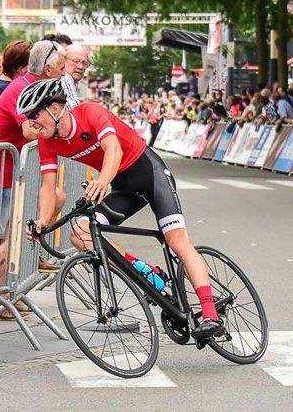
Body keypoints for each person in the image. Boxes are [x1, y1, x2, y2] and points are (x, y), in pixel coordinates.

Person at [19, 79, 226, 341]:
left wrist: (102, 182)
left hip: (150, 176)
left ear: (56, 108)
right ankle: (148, 273)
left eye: (34, 114)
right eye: (27, 117)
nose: (31, 122)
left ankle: (210, 314)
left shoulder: (90, 113)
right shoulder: (48, 142)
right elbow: (48, 188)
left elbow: (113, 149)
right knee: (80, 234)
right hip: (123, 188)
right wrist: (41, 221)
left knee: (177, 242)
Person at [0, 40, 67, 319]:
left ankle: (4, 293)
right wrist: (55, 131)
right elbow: (27, 130)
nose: (63, 73)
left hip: (8, 171)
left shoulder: (33, 85)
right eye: (61, 68)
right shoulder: (24, 87)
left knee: (9, 234)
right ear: (47, 68)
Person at [60, 44, 89, 109]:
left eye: (84, 63)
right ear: (64, 60)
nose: (80, 67)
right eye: (76, 61)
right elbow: (75, 112)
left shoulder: (72, 81)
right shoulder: (66, 78)